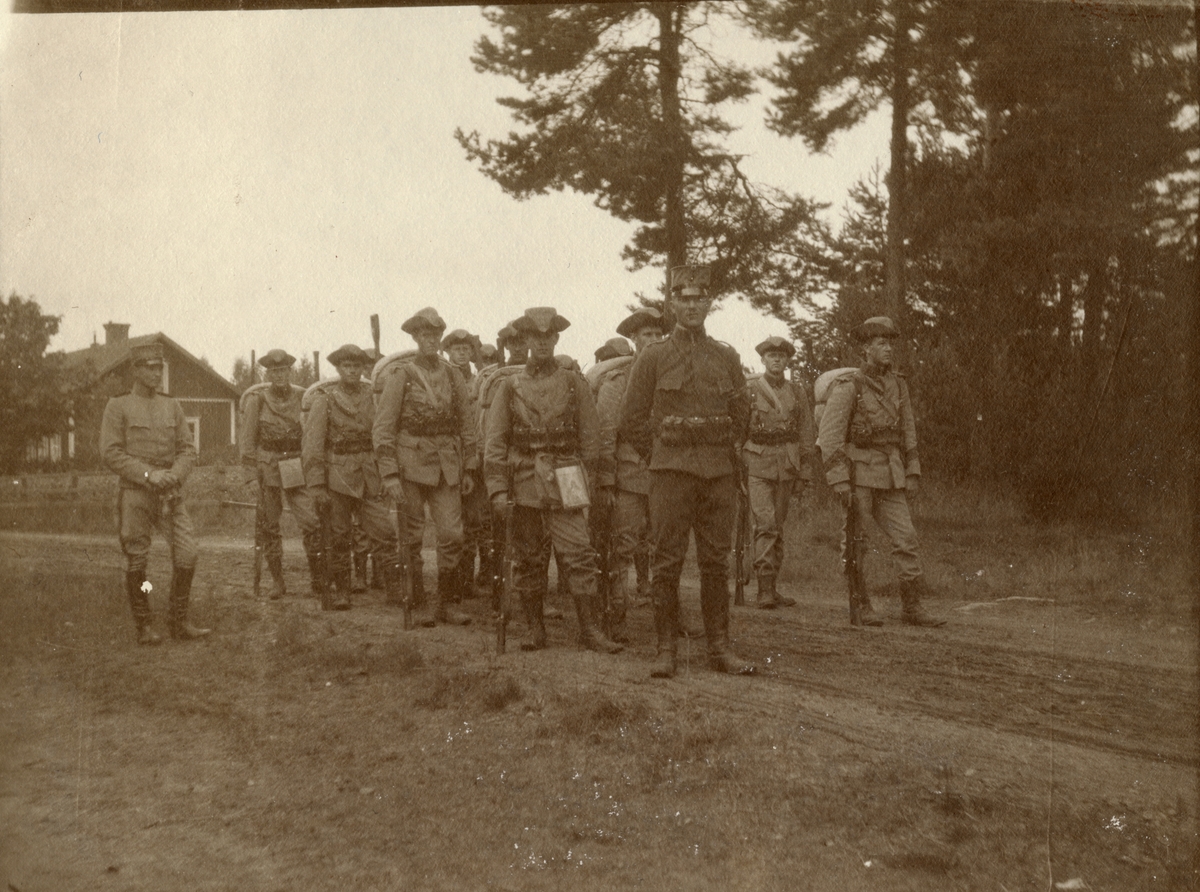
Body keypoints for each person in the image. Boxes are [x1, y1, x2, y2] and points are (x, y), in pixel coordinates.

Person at [620, 268, 754, 677]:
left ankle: (719, 647)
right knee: (666, 561)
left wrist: (719, 449)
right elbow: (632, 419)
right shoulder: (653, 356)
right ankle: (666, 650)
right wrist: (661, 453)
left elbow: (742, 414)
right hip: (670, 473)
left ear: (708, 302)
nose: (692, 305)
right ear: (672, 304)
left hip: (717, 473)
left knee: (716, 562)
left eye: (699, 298)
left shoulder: (726, 356)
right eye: (684, 298)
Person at [484, 307, 622, 654]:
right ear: (526, 340)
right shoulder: (509, 386)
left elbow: (592, 436)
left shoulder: (575, 382)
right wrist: (499, 490)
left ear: (556, 338)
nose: (542, 342)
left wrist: (593, 481)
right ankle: (535, 630)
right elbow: (496, 442)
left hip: (569, 476)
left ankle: (589, 630)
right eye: (535, 337)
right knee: (529, 557)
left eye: (548, 336)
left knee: (579, 552)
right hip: (526, 478)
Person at [816, 316, 944, 627]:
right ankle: (861, 604)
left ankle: (911, 607)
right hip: (858, 475)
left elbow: (908, 430)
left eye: (890, 343)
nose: (888, 349)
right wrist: (839, 481)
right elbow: (830, 438)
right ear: (865, 349)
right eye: (880, 344)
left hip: (891, 474)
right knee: (857, 540)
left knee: (907, 538)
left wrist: (913, 469)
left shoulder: (898, 385)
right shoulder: (850, 387)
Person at [100, 341, 209, 644]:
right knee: (138, 559)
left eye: (159, 367)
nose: (156, 372)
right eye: (149, 367)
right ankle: (145, 625)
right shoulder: (118, 406)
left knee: (188, 553)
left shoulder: (171, 405)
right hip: (136, 493)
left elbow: (188, 449)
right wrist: (149, 474)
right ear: (135, 370)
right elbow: (110, 453)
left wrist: (173, 474)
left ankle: (178, 620)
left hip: (169, 493)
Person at [373, 309, 476, 626]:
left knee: (452, 535)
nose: (430, 340)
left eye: (435, 335)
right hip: (410, 466)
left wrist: (469, 467)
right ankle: (414, 599)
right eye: (425, 335)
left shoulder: (452, 375)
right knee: (412, 535)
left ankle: (446, 603)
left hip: (447, 465)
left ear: (441, 339)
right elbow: (384, 428)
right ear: (416, 338)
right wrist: (389, 474)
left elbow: (467, 425)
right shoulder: (401, 375)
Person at [302, 343, 399, 611]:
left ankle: (395, 589)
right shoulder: (325, 400)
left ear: (363, 368)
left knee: (385, 532)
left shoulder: (375, 396)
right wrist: (317, 485)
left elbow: (386, 432)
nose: (353, 371)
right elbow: (313, 446)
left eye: (357, 366)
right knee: (338, 536)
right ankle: (343, 591)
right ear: (338, 369)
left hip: (370, 474)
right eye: (347, 366)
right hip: (337, 479)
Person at [593, 308, 666, 641]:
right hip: (629, 474)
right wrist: (606, 479)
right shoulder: (618, 381)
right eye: (645, 335)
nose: (652, 340)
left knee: (667, 545)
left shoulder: (672, 375)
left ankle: (669, 617)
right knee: (623, 545)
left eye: (656, 334)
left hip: (667, 473)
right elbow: (606, 432)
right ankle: (616, 614)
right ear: (634, 340)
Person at [239, 348, 323, 601]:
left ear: (290, 371)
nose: (279, 375)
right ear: (268, 373)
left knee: (312, 522)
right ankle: (277, 582)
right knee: (269, 525)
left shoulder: (303, 397)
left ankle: (318, 580)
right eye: (274, 371)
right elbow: (247, 442)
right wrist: (251, 477)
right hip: (267, 468)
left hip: (295, 465)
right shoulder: (258, 401)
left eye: (283, 370)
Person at [743, 336, 814, 609]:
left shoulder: (796, 392)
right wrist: (739, 465)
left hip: (787, 465)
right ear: (762, 359)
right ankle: (763, 588)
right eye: (771, 355)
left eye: (781, 356)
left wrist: (804, 473)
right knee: (766, 525)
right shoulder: (751, 390)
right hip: (757, 465)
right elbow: (738, 430)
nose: (776, 359)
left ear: (787, 360)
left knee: (778, 527)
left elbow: (807, 433)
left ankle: (772, 586)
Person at [443, 328, 488, 600]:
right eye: (456, 349)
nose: (461, 353)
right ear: (447, 351)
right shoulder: (441, 379)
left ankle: (465, 581)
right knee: (450, 522)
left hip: (475, 457)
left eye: (466, 349)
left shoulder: (481, 381)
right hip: (447, 457)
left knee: (473, 521)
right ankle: (450, 584)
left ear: (472, 353)